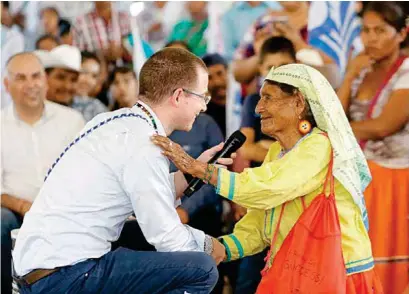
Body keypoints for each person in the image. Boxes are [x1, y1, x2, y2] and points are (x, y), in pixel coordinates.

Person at [12, 48, 228, 294]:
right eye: (202, 96)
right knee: (202, 268)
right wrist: (208, 246)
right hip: (66, 275)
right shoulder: (144, 142)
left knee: (138, 236)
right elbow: (166, 235)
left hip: (39, 271)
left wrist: (194, 170)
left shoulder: (114, 122)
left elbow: (146, 193)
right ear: (179, 96)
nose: (204, 106)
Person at [152, 63, 383, 293]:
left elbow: (267, 187)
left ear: (298, 102)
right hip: (297, 272)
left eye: (268, 98)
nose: (258, 108)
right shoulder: (276, 152)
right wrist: (225, 247)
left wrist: (201, 169)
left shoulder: (319, 145)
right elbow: (262, 222)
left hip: (338, 274)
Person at [337, 2, 409, 293]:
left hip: (394, 180)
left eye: (381, 30)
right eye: (366, 31)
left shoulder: (406, 70)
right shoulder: (361, 70)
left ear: (403, 32)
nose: (372, 38)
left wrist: (335, 133)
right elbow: (334, 114)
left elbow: (384, 125)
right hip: (357, 180)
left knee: (388, 262)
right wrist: (350, 76)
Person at [1, 52, 84, 294]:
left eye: (36, 76)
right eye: (21, 78)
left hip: (64, 210)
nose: (31, 85)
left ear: (45, 81)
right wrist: (25, 207)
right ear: (7, 85)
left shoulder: (72, 120)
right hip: (16, 213)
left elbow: (86, 176)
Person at [240, 36, 296, 167]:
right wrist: (288, 155)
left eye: (284, 65)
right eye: (270, 67)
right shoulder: (253, 101)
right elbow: (246, 149)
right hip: (263, 181)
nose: (277, 73)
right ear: (260, 69)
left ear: (296, 63)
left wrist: (264, 145)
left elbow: (309, 150)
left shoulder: (305, 101)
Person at [36, 45, 108, 122]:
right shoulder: (29, 107)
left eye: (73, 80)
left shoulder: (94, 110)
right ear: (45, 77)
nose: (67, 86)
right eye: (61, 77)